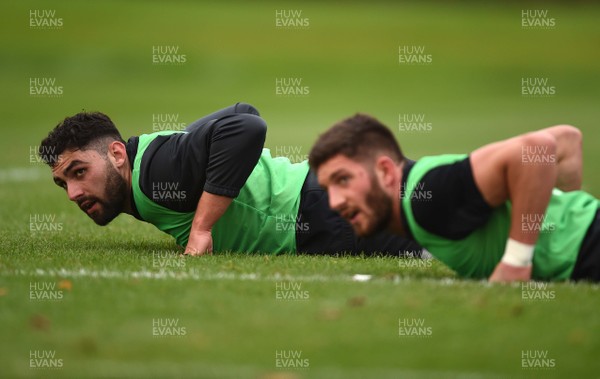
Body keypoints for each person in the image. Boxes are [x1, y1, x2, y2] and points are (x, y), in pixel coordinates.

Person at [39, 103, 422, 258]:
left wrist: (202, 228)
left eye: (79, 172)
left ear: (117, 154)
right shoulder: (151, 157)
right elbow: (241, 109)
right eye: (64, 184)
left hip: (323, 211)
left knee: (455, 227)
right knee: (454, 197)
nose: (74, 193)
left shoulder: (156, 173)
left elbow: (246, 125)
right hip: (323, 193)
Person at [308, 113, 600, 282]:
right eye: (328, 188)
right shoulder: (420, 195)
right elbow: (567, 138)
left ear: (385, 171)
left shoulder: (426, 197)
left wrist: (516, 262)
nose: (334, 202)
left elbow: (538, 147)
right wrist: (560, 215)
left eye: (343, 180)